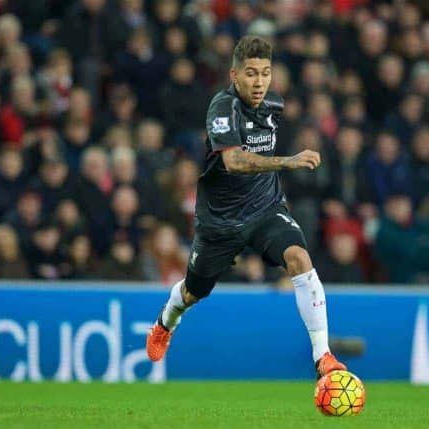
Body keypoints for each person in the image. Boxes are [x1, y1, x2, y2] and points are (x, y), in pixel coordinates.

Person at [146, 36, 347, 378]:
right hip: (220, 221)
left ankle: (323, 357)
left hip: (265, 209)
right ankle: (166, 322)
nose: (259, 82)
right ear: (234, 76)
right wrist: (289, 161)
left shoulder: (274, 104)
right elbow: (234, 161)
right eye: (251, 73)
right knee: (193, 292)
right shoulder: (221, 107)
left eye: (265, 73)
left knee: (299, 258)